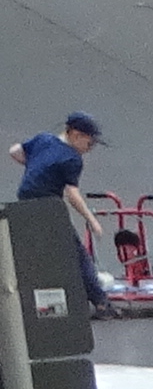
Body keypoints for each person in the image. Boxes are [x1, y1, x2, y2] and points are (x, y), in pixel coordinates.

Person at [16, 117, 98, 312]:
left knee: (30, 253)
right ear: (76, 135)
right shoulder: (72, 158)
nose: (90, 147)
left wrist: (37, 166)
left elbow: (15, 151)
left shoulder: (43, 139)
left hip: (24, 203)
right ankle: (102, 302)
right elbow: (73, 195)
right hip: (49, 208)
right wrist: (92, 220)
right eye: (90, 142)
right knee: (77, 255)